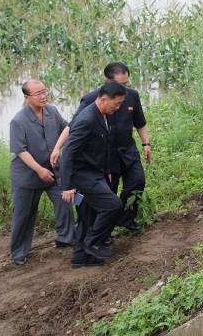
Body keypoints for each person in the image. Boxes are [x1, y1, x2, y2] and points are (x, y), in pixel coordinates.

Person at [75, 62, 150, 233]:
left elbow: (140, 122)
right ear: (108, 82)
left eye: (126, 83)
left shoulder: (132, 96)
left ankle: (125, 217)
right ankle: (103, 229)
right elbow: (75, 126)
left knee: (138, 180)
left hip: (127, 150)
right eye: (120, 84)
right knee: (109, 191)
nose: (125, 87)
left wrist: (146, 143)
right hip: (106, 155)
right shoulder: (92, 99)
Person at [59, 81, 126, 268]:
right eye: (117, 103)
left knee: (87, 215)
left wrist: (107, 170)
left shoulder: (103, 114)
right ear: (103, 99)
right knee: (113, 205)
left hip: (95, 173)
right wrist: (67, 187)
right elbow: (69, 152)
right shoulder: (87, 119)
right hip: (82, 179)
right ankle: (92, 242)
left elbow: (98, 148)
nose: (118, 107)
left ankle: (80, 258)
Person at [9, 80, 75, 265]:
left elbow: (67, 128)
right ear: (27, 98)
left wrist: (59, 148)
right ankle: (19, 252)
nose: (43, 96)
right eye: (38, 94)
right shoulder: (18, 121)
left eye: (44, 91)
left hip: (53, 170)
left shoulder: (51, 111)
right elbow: (20, 151)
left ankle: (66, 238)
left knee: (65, 199)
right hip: (28, 176)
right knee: (24, 215)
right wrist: (39, 170)